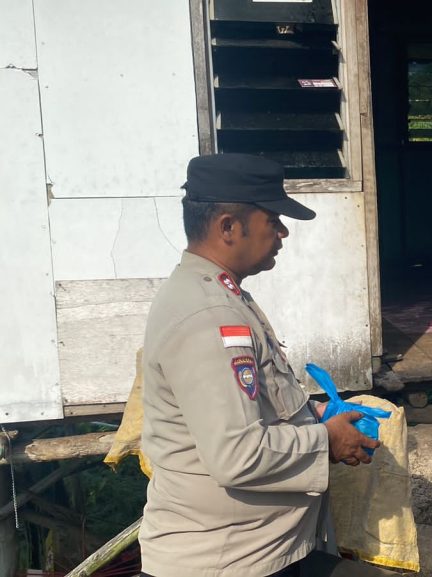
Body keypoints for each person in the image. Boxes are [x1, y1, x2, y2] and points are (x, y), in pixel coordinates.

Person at [139, 154, 382, 577]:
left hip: (259, 552)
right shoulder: (209, 315)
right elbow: (237, 454)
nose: (282, 232)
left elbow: (251, 404)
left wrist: (315, 414)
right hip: (227, 562)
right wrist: (327, 441)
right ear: (228, 227)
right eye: (272, 219)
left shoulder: (222, 295)